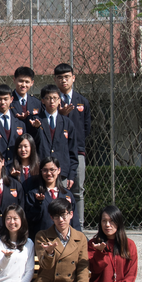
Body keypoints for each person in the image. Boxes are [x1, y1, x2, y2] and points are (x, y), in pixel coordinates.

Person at [53, 63, 91, 229]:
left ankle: (78, 227)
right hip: (58, 153)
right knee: (58, 189)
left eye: (67, 77)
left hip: (77, 152)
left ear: (73, 78)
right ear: (55, 80)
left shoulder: (82, 101)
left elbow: (86, 128)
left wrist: (77, 144)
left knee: (77, 190)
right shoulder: (52, 101)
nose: (64, 80)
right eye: (60, 77)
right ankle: (58, 226)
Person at [28, 84, 78, 189]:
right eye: (48, 98)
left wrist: (71, 175)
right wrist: (35, 129)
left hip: (61, 172)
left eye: (55, 98)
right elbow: (31, 146)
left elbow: (72, 151)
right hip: (41, 171)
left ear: (60, 100)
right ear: (42, 101)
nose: (52, 101)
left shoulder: (67, 123)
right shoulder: (35, 120)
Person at [24, 157, 78, 240]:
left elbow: (75, 221)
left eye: (52, 170)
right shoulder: (33, 194)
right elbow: (30, 220)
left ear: (59, 170)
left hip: (65, 240)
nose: (49, 173)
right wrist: (38, 203)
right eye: (45, 170)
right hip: (43, 240)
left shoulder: (67, 194)